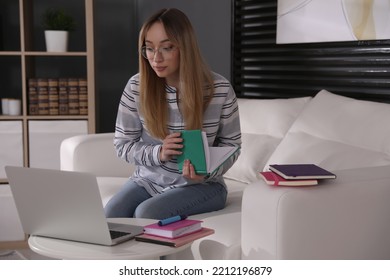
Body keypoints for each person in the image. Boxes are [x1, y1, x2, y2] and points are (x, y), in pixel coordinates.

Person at [104, 8, 241, 220]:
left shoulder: (220, 89)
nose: (156, 58)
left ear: (185, 47)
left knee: (147, 213)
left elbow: (232, 146)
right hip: (147, 181)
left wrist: (207, 172)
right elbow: (122, 145)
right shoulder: (136, 87)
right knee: (110, 215)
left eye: (167, 48)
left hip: (204, 186)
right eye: (149, 49)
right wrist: (158, 153)